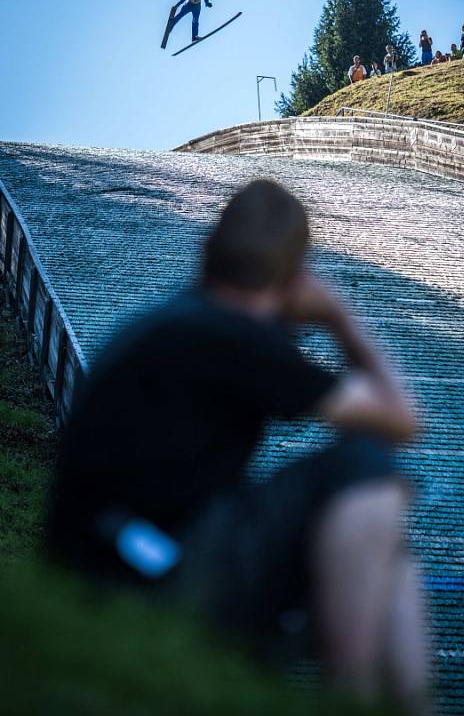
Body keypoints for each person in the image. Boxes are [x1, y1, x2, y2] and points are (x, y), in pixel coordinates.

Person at [46, 179, 429, 712]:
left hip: (107, 567)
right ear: (294, 276)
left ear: (210, 250)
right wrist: (340, 317)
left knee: (390, 549)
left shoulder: (178, 320)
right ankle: (353, 701)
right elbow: (402, 420)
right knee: (364, 467)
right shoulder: (237, 336)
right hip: (151, 579)